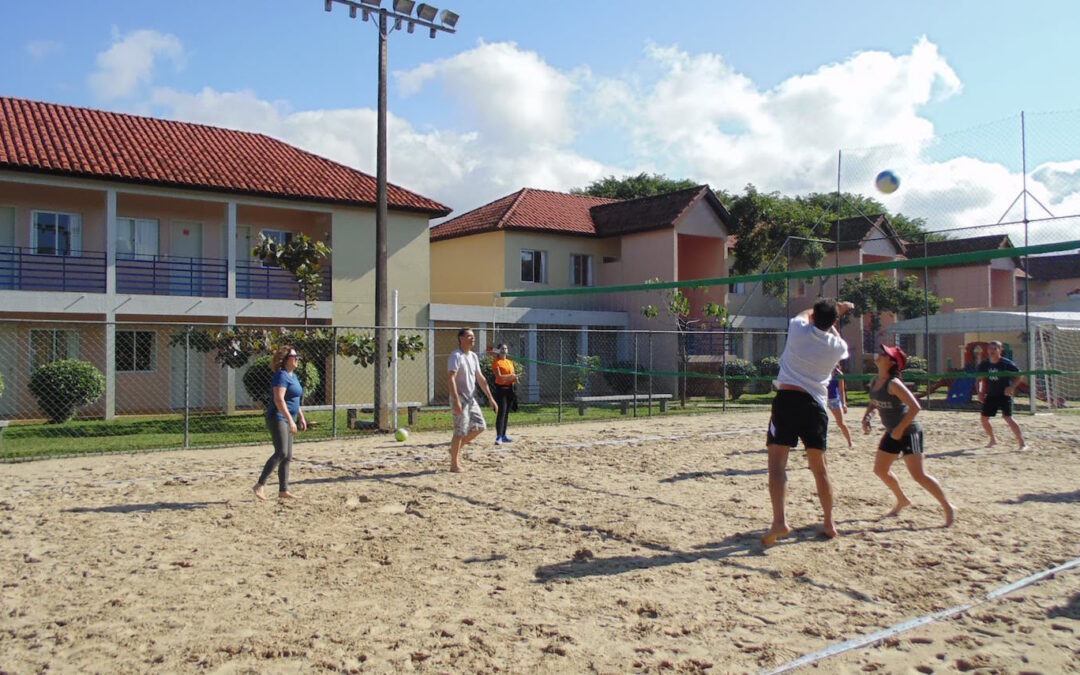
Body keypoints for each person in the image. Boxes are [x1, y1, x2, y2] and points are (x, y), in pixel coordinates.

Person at [762, 298, 854, 546]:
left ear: (813, 316)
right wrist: (838, 314)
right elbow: (830, 331)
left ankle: (780, 521)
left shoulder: (798, 328)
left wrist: (833, 308)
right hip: (816, 406)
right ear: (834, 322)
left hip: (788, 400)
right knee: (820, 468)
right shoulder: (838, 346)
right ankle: (829, 522)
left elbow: (804, 315)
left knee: (777, 465)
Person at [863, 344, 955, 526]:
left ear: (891, 362)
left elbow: (915, 407)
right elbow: (874, 401)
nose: (879, 355)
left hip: (909, 431)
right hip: (892, 432)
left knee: (919, 475)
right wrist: (867, 415)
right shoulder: (875, 381)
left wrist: (899, 429)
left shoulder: (894, 383)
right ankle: (902, 499)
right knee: (880, 470)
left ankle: (948, 506)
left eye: (883, 354)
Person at [254, 345, 305, 500]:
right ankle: (259, 485)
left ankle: (283, 490)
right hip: (278, 417)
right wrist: (290, 420)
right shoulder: (281, 376)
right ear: (285, 360)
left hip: (289, 417)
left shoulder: (293, 376)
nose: (297, 359)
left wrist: (301, 416)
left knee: (288, 456)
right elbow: (279, 400)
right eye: (294, 357)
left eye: (297, 357)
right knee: (281, 452)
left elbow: (295, 399)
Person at [448, 328, 498, 472]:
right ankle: (454, 464)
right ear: (461, 338)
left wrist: (490, 398)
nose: (472, 339)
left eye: (473, 336)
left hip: (471, 399)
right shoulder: (456, 356)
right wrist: (456, 400)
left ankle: (454, 450)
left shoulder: (473, 356)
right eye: (469, 336)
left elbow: (480, 378)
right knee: (460, 431)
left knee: (480, 426)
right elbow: (451, 378)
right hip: (460, 398)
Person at [976, 341, 1028, 450]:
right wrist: (980, 392)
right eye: (990, 348)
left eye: (995, 348)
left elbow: (1020, 376)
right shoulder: (984, 364)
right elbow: (980, 379)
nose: (992, 351)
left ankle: (1022, 443)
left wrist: (1012, 387)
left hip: (1004, 394)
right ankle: (993, 440)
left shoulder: (1006, 363)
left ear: (1000, 350)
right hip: (991, 395)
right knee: (984, 419)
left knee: (1008, 418)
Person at [491, 343, 518, 445]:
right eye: (502, 348)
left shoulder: (510, 362)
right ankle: (498, 436)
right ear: (498, 350)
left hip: (510, 389)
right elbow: (499, 377)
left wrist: (514, 378)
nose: (504, 350)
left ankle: (504, 435)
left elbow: (513, 375)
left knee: (506, 413)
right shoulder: (496, 362)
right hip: (501, 390)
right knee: (501, 413)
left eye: (506, 348)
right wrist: (511, 376)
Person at [827, 365, 853, 449]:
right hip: (822, 398)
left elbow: (842, 391)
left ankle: (850, 442)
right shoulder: (823, 369)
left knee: (841, 423)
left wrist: (844, 404)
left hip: (833, 399)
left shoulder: (839, 374)